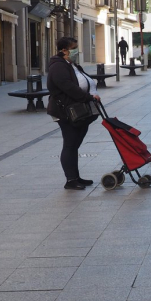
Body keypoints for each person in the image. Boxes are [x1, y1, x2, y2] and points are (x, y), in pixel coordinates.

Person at [47, 36, 100, 190]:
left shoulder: (71, 64)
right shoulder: (58, 66)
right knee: (70, 144)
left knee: (75, 145)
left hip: (78, 109)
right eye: (74, 48)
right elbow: (67, 86)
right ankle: (70, 180)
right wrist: (88, 96)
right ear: (64, 50)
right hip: (66, 111)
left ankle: (76, 177)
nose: (76, 51)